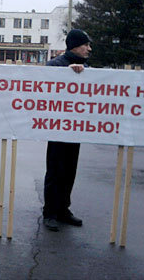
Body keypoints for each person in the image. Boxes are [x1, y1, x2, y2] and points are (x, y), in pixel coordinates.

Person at [43, 29, 92, 232]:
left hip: (75, 127)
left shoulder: (87, 68)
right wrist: (67, 74)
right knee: (55, 170)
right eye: (85, 45)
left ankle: (64, 209)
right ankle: (50, 212)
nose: (89, 49)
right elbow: (44, 84)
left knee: (70, 170)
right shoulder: (55, 65)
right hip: (57, 128)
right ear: (74, 46)